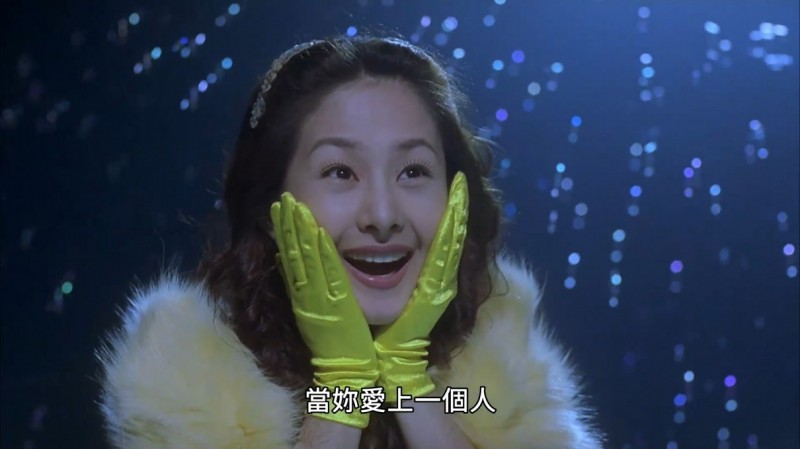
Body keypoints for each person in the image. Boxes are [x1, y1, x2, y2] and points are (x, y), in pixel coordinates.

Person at [96, 34, 604, 449]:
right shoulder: (189, 388)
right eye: (340, 172)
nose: (382, 216)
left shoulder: (506, 375)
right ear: (270, 208)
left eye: (413, 171)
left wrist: (408, 385)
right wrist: (344, 387)